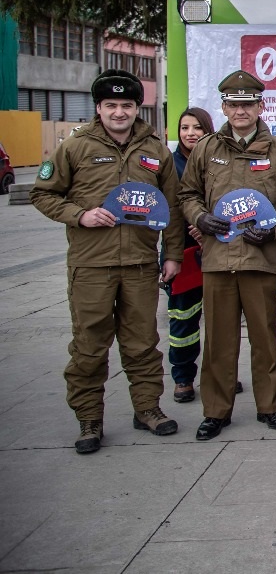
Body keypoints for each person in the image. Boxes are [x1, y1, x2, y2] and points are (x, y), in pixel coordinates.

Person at [32, 69, 185, 454]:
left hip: (139, 263)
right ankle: (89, 419)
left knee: (142, 343)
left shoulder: (155, 150)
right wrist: (79, 214)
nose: (119, 112)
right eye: (111, 105)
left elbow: (174, 209)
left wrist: (172, 256)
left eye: (127, 105)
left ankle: (148, 409)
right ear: (98, 108)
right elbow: (43, 194)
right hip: (91, 264)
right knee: (89, 346)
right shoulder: (75, 147)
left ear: (138, 108)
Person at [177, 70, 276, 441]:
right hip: (217, 259)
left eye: (247, 104)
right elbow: (187, 195)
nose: (240, 111)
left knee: (266, 338)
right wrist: (201, 218)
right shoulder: (206, 149)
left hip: (260, 258)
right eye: (233, 105)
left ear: (260, 106)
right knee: (219, 339)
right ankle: (216, 411)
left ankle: (270, 406)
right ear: (224, 106)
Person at [167, 106, 214, 404]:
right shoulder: (168, 165)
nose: (191, 134)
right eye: (185, 128)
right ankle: (183, 377)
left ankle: (220, 375)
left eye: (197, 128)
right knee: (183, 317)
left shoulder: (218, 161)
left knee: (221, 318)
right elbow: (168, 210)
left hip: (217, 248)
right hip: (183, 251)